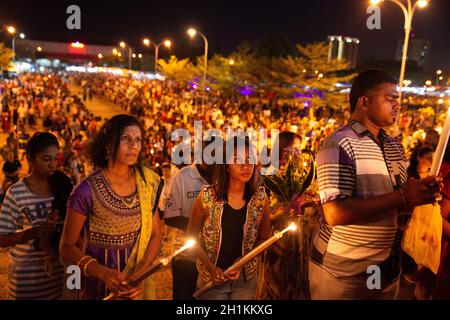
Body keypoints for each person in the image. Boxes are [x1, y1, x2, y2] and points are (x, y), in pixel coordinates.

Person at [312, 69, 442, 300]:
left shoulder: (393, 146)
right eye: (389, 98)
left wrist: (419, 195)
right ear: (364, 102)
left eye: (398, 99)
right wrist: (403, 196)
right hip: (345, 272)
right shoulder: (338, 143)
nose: (397, 105)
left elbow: (395, 205)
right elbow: (334, 213)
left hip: (386, 268)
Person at [59, 114, 164, 300]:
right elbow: (66, 247)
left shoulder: (147, 183)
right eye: (126, 139)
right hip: (98, 285)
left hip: (135, 284)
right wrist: (102, 272)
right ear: (109, 143)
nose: (133, 146)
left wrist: (141, 272)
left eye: (138, 140)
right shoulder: (86, 191)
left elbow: (156, 233)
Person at [188, 136, 270, 300]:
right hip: (211, 279)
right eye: (237, 160)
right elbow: (190, 237)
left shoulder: (260, 198)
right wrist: (211, 268)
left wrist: (244, 260)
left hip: (245, 281)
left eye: (249, 159)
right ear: (226, 166)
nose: (245, 165)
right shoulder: (207, 197)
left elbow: (264, 239)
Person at [0, 132, 73, 299]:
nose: (53, 165)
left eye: (56, 159)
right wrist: (34, 232)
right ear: (30, 159)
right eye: (46, 159)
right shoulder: (16, 192)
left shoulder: (63, 187)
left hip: (57, 276)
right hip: (26, 280)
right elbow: (2, 238)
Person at [164, 141, 215, 300]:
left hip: (214, 257)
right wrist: (199, 226)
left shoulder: (223, 178)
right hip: (186, 255)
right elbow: (170, 217)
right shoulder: (182, 177)